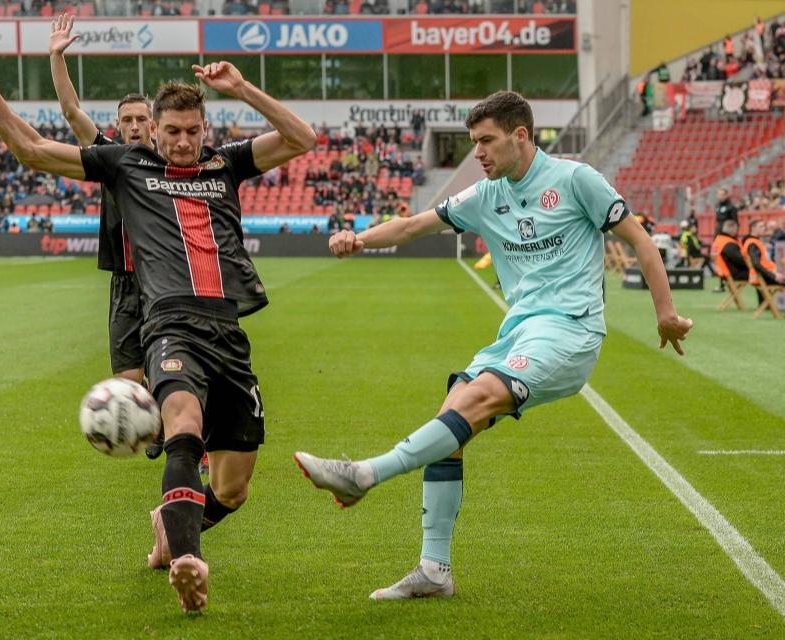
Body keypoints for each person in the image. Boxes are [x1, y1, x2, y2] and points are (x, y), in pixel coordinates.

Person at [0, 21, 315, 613]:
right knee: (180, 420)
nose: (180, 141)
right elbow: (32, 150)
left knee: (232, 488)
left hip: (228, 329)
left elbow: (301, 139)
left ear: (205, 128)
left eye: (191, 131)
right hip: (168, 322)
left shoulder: (225, 165)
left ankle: (170, 526)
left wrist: (244, 89)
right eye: (171, 131)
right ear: (156, 128)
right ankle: (188, 561)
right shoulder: (127, 164)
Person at [294, 91, 692, 601]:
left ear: (520, 135)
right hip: (519, 332)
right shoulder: (486, 195)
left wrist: (664, 313)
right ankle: (434, 570)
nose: (477, 152)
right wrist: (359, 238)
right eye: (473, 142)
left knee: (478, 397)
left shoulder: (574, 180)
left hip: (571, 330)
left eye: (485, 141)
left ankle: (364, 474)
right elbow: (416, 225)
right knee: (453, 415)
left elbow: (639, 239)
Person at [49, 14, 173, 460]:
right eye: (128, 120)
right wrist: (56, 56)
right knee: (126, 382)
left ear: (155, 125)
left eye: (142, 118)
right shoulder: (111, 157)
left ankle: (183, 438)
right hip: (124, 283)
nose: (136, 126)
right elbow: (70, 112)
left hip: (165, 282)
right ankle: (153, 428)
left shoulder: (173, 163)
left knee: (173, 371)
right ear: (119, 126)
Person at [741, 219, 785, 305]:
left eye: (764, 226)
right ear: (753, 228)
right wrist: (774, 276)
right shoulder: (752, 244)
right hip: (764, 277)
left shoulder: (753, 241)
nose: (764, 228)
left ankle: (764, 304)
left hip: (764, 275)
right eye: (761, 226)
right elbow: (756, 264)